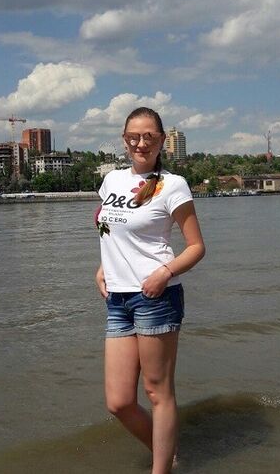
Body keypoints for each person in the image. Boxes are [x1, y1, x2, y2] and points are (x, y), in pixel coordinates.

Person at [95, 107, 205, 474]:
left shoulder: (172, 185)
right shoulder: (111, 180)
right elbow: (111, 229)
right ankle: (167, 453)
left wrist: (164, 273)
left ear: (161, 141)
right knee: (119, 401)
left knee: (158, 392)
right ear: (124, 140)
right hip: (117, 300)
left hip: (156, 297)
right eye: (133, 137)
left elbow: (196, 247)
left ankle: (162, 469)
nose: (140, 143)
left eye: (149, 137)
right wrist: (103, 266)